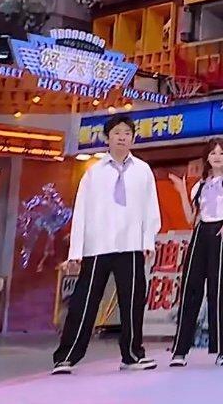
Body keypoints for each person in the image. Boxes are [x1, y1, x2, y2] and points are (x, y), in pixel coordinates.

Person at [52, 115, 161, 375]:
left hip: (131, 245)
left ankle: (132, 355)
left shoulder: (143, 170)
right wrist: (76, 251)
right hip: (97, 245)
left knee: (132, 301)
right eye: (117, 133)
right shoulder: (94, 172)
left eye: (127, 133)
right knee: (85, 301)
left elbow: (151, 208)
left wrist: (148, 240)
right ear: (107, 138)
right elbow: (81, 211)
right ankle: (66, 356)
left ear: (133, 138)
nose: (122, 137)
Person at [168, 139, 223, 367]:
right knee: (190, 288)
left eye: (221, 153)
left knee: (220, 289)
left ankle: (222, 351)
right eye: (213, 153)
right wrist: (181, 191)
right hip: (201, 233)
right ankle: (180, 351)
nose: (217, 157)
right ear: (207, 157)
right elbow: (191, 218)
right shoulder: (199, 185)